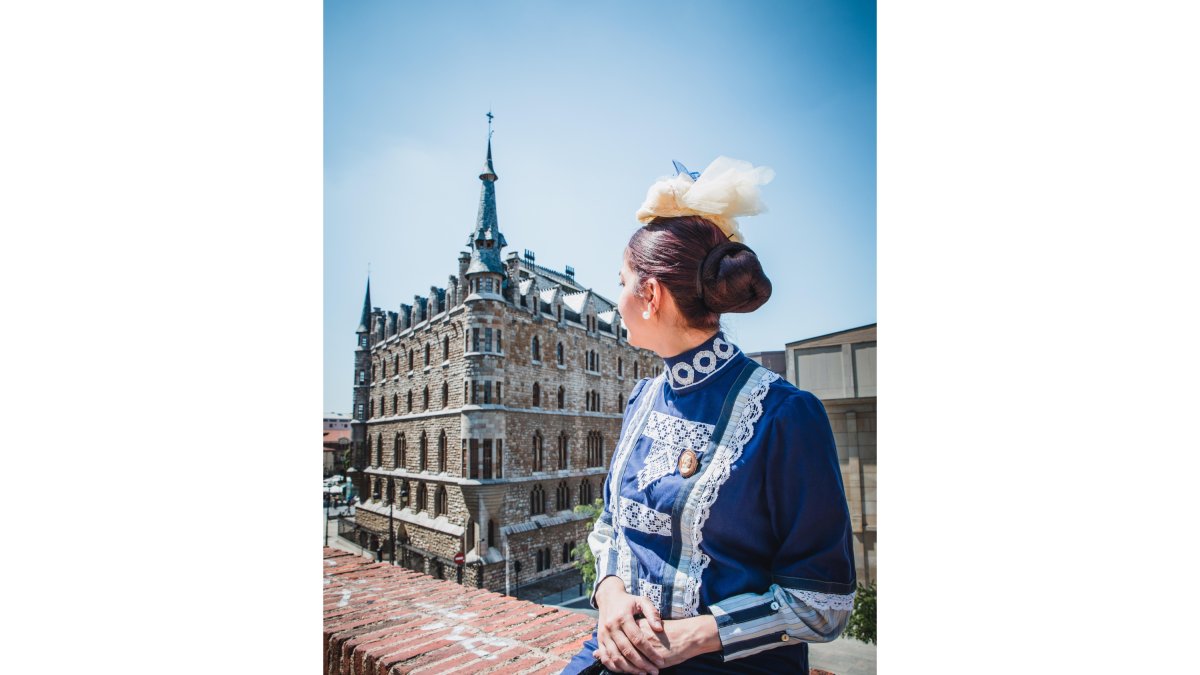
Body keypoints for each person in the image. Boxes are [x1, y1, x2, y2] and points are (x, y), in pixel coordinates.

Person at [561, 158, 857, 675]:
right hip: (618, 655)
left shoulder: (787, 415)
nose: (618, 302)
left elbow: (824, 605)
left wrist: (693, 636)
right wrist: (609, 596)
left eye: (622, 283)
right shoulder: (641, 398)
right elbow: (611, 523)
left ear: (649, 295)